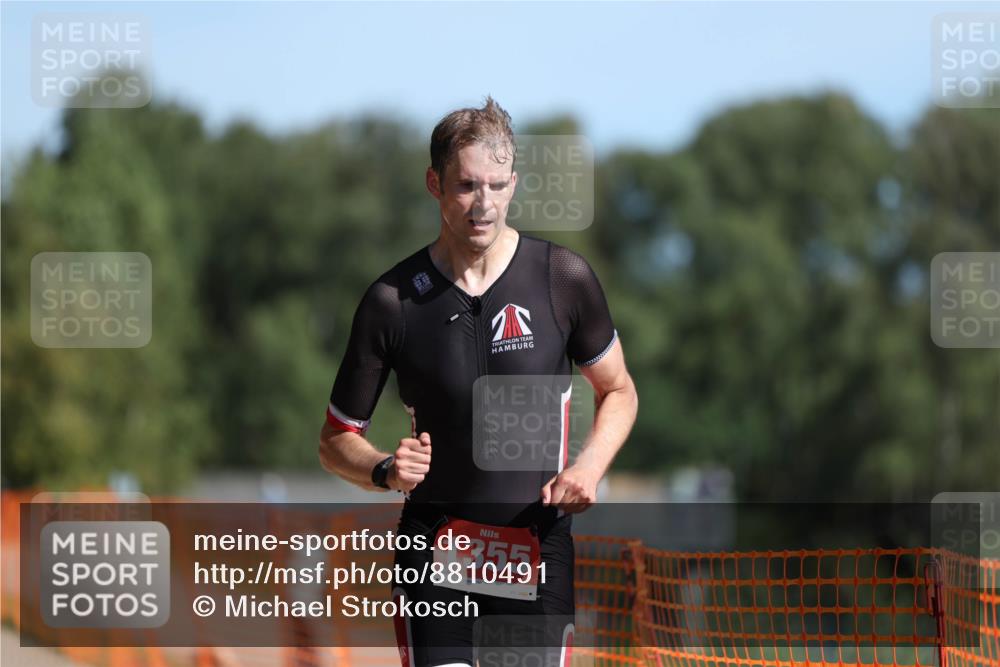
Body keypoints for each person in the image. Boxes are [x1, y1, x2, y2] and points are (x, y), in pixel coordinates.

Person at [319, 96, 638, 667]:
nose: (482, 204)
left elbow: (618, 389)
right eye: (466, 185)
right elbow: (336, 438)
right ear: (434, 184)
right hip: (435, 551)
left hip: (535, 549)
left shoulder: (561, 278)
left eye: (495, 185)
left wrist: (590, 468)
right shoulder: (392, 301)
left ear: (514, 183)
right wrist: (385, 470)